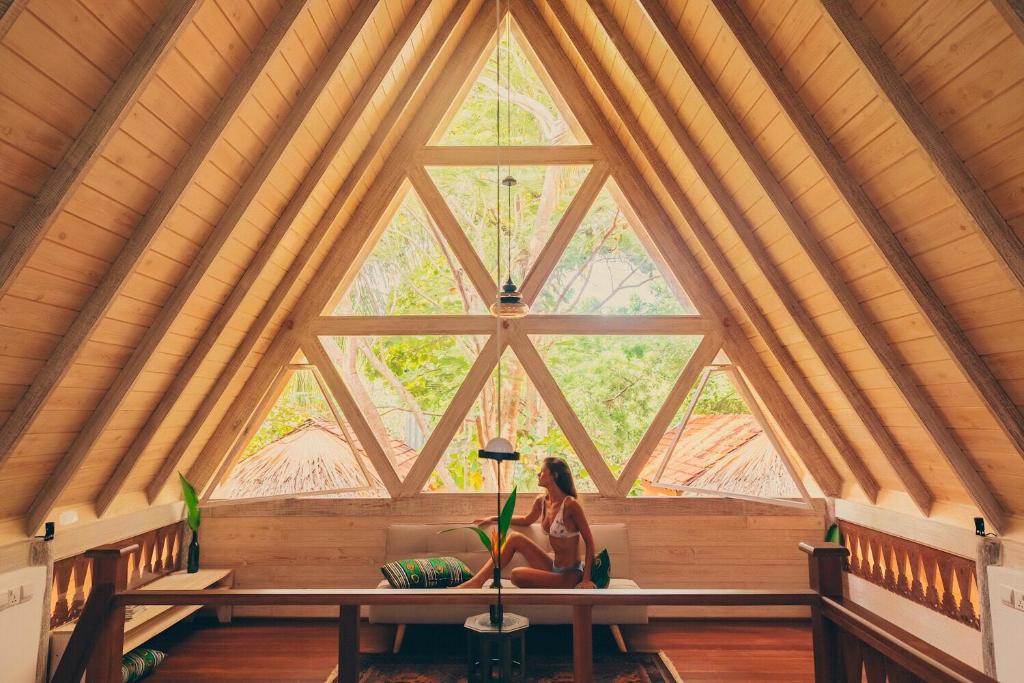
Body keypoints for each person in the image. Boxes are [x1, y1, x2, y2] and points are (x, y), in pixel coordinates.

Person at [456, 456, 597, 589]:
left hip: (570, 574)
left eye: (542, 472)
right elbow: (526, 520)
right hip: (554, 567)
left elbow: (590, 542)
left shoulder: (571, 505)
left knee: (516, 575)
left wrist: (586, 579)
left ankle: (477, 582)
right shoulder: (542, 501)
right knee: (514, 538)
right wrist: (495, 518)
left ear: (554, 476)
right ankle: (477, 581)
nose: (538, 474)